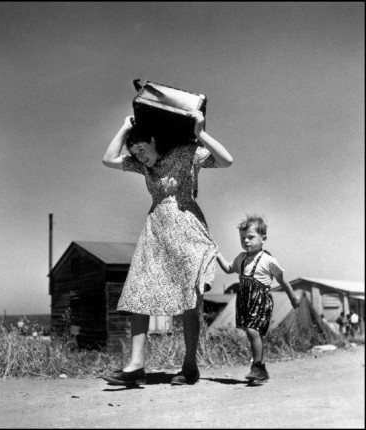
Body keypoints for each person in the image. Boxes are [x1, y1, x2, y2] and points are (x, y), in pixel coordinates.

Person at [101, 110, 233, 386]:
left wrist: (200, 134)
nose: (138, 156)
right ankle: (136, 366)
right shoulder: (143, 167)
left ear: (153, 140)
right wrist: (125, 127)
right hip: (156, 233)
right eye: (134, 152)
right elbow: (109, 159)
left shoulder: (187, 153)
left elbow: (226, 161)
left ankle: (189, 366)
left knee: (189, 301)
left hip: (187, 232)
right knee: (139, 292)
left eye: (141, 148)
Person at [216, 214, 300, 382]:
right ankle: (260, 369)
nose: (246, 241)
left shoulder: (268, 260)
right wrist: (216, 253)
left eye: (251, 237)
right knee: (253, 333)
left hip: (260, 300)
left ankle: (257, 366)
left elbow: (282, 280)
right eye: (242, 238)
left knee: (252, 330)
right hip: (245, 300)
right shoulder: (241, 258)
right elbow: (227, 268)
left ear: (263, 239)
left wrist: (292, 298)